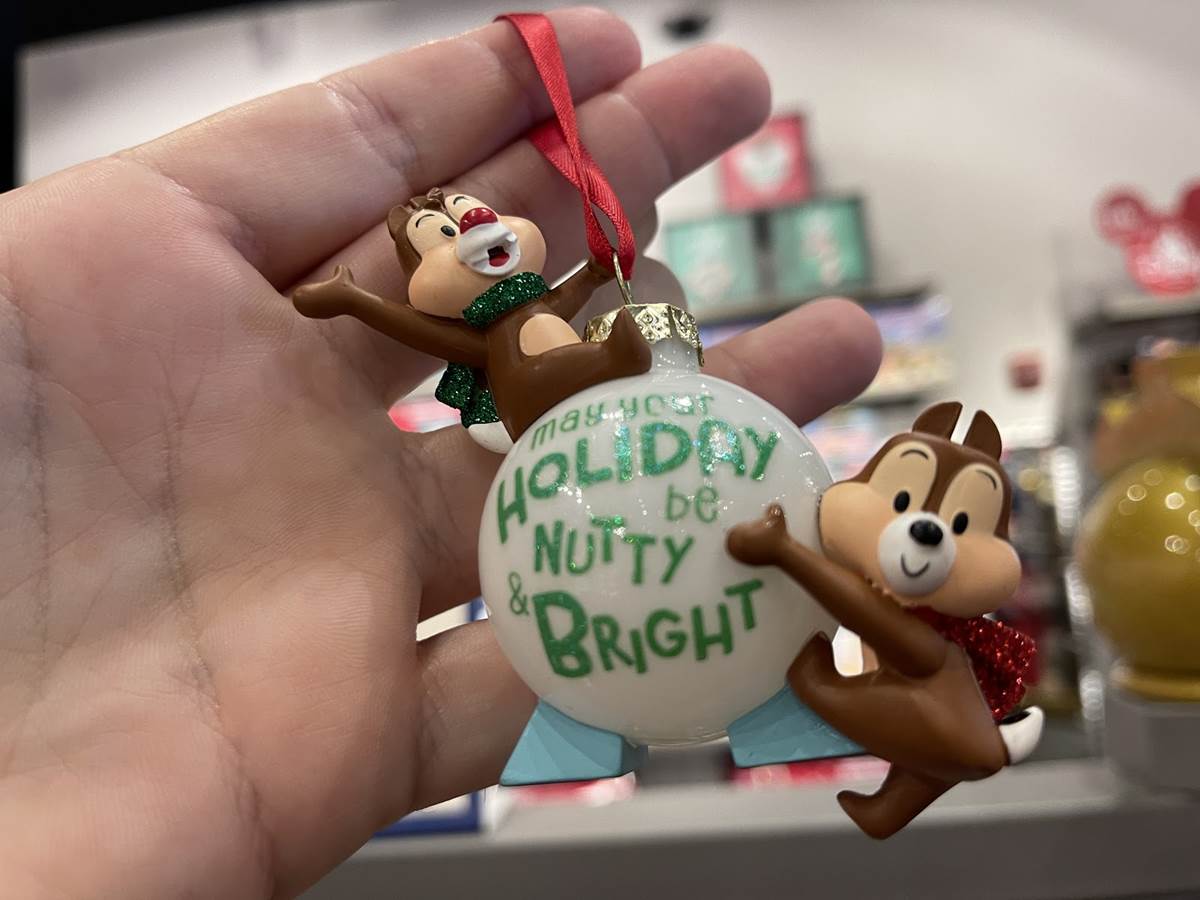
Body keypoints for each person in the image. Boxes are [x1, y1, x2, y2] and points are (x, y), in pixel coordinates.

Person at [0, 8, 880, 898]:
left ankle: (613, 359)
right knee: (585, 359)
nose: (469, 230)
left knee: (603, 347)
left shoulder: (540, 294)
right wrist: (352, 301)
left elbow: (576, 279)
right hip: (537, 398)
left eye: (469, 216)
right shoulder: (479, 338)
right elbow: (413, 327)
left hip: (582, 398)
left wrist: (604, 258)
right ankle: (612, 360)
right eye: (441, 239)